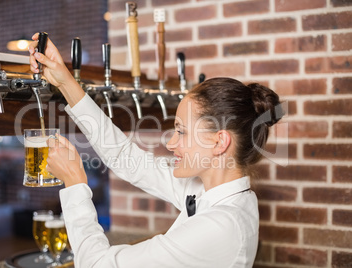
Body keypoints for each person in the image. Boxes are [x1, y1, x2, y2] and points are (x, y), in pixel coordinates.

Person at [28, 33, 282, 267]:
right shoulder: (213, 191)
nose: (171, 144)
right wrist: (66, 82)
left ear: (219, 142)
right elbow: (127, 159)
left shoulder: (220, 226)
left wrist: (74, 184)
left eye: (181, 131)